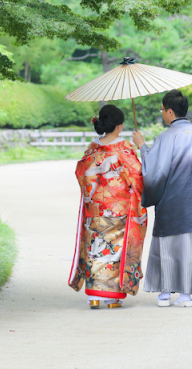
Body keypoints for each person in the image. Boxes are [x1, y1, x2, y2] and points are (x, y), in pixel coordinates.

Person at [132, 89, 192, 308]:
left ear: (170, 112)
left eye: (163, 110)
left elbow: (154, 172)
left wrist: (141, 146)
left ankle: (164, 293)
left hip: (170, 201)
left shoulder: (165, 138)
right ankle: (185, 295)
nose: (162, 113)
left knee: (167, 245)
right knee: (189, 245)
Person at [69, 104, 148, 309]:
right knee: (114, 250)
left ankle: (93, 296)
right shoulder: (124, 149)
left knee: (94, 249)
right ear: (120, 126)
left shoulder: (92, 149)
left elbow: (81, 173)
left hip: (94, 210)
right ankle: (112, 297)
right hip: (118, 210)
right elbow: (137, 176)